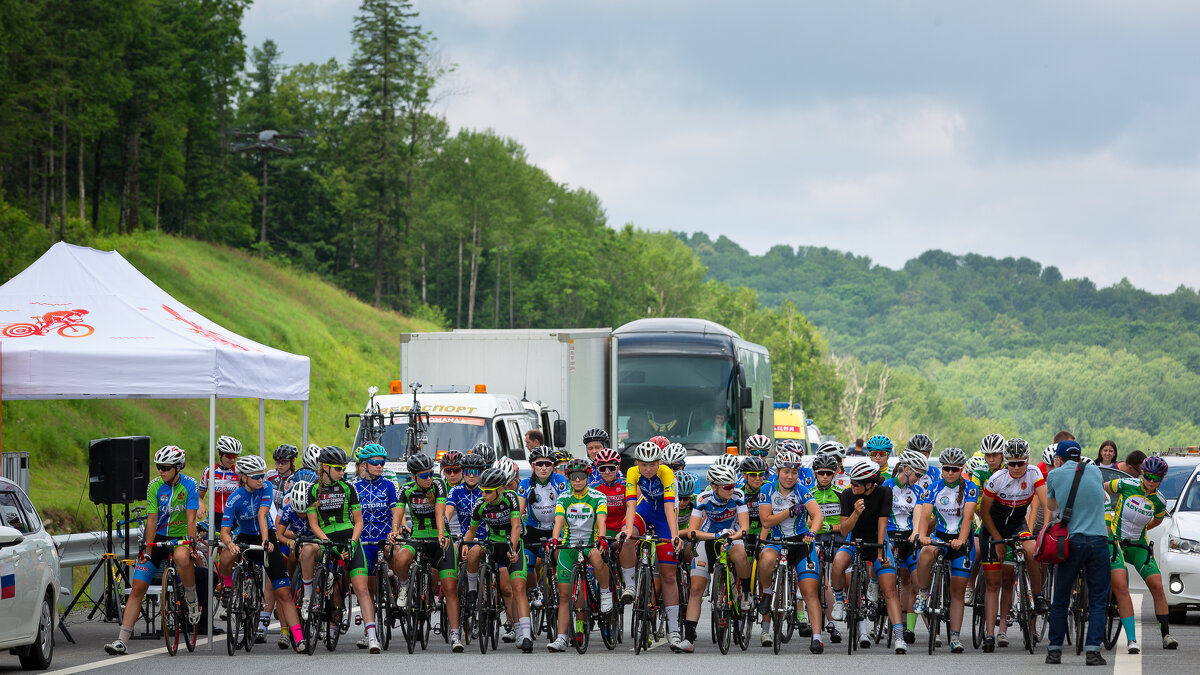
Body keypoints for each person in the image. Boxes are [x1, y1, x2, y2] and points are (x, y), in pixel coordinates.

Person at [104, 446, 201, 655]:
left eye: (165, 467)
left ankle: (192, 600)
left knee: (182, 557)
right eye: (158, 467)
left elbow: (191, 518)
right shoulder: (154, 486)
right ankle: (122, 640)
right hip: (157, 536)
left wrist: (192, 544)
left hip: (181, 535)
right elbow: (152, 519)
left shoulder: (190, 485)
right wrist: (147, 549)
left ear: (178, 467)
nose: (161, 471)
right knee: (138, 586)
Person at [218, 454, 306, 652]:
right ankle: (228, 587)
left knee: (283, 592)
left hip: (267, 537)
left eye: (261, 475)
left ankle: (299, 639)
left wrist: (267, 540)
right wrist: (230, 543)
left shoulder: (266, 487)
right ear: (243, 477)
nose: (261, 479)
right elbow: (225, 531)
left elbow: (263, 514)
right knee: (226, 556)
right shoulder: (235, 498)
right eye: (256, 476)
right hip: (245, 538)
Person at [306, 446, 380, 653]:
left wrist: (354, 542)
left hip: (349, 538)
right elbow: (313, 524)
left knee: (362, 589)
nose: (342, 472)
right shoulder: (313, 490)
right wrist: (325, 541)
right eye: (338, 468)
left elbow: (358, 521)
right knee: (310, 553)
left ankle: (372, 636)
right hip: (325, 539)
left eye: (344, 468)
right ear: (325, 468)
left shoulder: (348, 488)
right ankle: (309, 597)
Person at [1043, 440, 1111, 666]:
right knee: (1099, 599)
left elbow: (1052, 507)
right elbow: (1101, 499)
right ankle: (1093, 651)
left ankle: (1054, 651)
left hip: (1071, 542)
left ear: (1058, 459)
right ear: (1080, 458)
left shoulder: (1054, 474)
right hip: (1098, 540)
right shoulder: (1095, 471)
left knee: (1061, 598)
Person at [978, 438, 1048, 651]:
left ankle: (1037, 596)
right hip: (992, 529)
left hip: (1018, 524)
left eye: (1021, 463)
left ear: (1027, 461)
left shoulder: (1035, 473)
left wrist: (1045, 529)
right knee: (993, 585)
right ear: (1006, 462)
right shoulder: (997, 479)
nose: (1016, 468)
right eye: (1012, 463)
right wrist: (998, 541)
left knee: (1031, 548)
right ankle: (990, 635)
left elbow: (1047, 504)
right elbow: (984, 513)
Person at [830, 461, 906, 653]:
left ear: (870, 484)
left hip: (878, 541)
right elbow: (844, 529)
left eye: (856, 483)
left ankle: (899, 637)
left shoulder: (884, 493)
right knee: (838, 563)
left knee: (889, 589)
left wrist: (880, 554)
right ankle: (840, 600)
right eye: (851, 481)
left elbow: (882, 526)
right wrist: (855, 513)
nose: (851, 485)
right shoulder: (847, 494)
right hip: (854, 541)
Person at [1105, 454, 1177, 652]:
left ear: (1162, 479)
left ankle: (1166, 636)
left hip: (1138, 545)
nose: (1151, 482)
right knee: (1120, 585)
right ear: (1143, 474)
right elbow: (1101, 490)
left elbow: (1158, 519)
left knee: (1157, 585)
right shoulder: (1126, 484)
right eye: (1148, 477)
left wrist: (1143, 530)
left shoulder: (1160, 501)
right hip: (1117, 541)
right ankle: (1130, 638)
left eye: (1156, 479)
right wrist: (1106, 515)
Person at [393, 452, 463, 651]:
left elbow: (441, 513)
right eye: (424, 476)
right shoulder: (406, 490)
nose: (429, 478)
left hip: (440, 539)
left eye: (430, 473)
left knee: (450, 588)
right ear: (414, 476)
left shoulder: (438, 485)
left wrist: (442, 535)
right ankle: (405, 586)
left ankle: (455, 635)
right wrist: (394, 530)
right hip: (417, 537)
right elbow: (398, 514)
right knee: (400, 558)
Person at [757, 450, 826, 653]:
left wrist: (812, 532)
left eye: (794, 472)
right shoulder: (767, 489)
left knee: (809, 590)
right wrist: (789, 511)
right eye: (786, 471)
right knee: (766, 560)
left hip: (800, 542)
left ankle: (816, 637)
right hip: (777, 540)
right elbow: (766, 521)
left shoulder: (803, 490)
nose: (790, 476)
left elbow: (818, 514)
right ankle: (767, 594)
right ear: (777, 472)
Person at [619, 440, 685, 651]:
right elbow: (630, 503)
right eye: (643, 464)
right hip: (644, 510)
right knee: (626, 536)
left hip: (664, 517)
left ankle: (674, 630)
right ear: (637, 463)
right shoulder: (632, 472)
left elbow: (669, 508)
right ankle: (630, 584)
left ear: (659, 463)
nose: (647, 469)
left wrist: (675, 536)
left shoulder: (667, 473)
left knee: (667, 574)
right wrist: (629, 529)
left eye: (652, 464)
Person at [913, 447, 977, 654]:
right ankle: (923, 593)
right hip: (940, 536)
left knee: (957, 593)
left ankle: (956, 637)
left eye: (955, 469)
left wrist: (961, 539)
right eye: (947, 469)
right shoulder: (933, 488)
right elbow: (924, 516)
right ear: (942, 468)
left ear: (962, 469)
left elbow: (967, 518)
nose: (950, 473)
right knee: (924, 553)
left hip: (961, 540)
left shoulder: (970, 488)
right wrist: (922, 536)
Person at [545, 458, 613, 651]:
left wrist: (601, 538)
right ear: (569, 479)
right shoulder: (564, 497)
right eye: (573, 477)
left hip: (590, 542)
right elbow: (558, 521)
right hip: (569, 546)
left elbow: (601, 519)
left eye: (581, 477)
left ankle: (606, 592)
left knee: (597, 558)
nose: (577, 481)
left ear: (587, 477)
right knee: (565, 595)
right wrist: (555, 539)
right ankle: (561, 638)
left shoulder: (597, 496)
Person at [682, 464, 751, 652]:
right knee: (696, 589)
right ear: (714, 486)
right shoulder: (703, 499)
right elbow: (692, 531)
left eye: (733, 484)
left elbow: (744, 527)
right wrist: (715, 536)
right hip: (709, 539)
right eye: (726, 486)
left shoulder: (738, 496)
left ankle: (745, 593)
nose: (732, 489)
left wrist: (730, 537)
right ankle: (688, 639)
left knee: (741, 555)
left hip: (732, 537)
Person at [464, 467, 534, 652]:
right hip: (493, 543)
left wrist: (512, 548)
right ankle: (472, 591)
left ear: (499, 489)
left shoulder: (510, 498)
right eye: (482, 490)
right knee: (473, 553)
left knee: (518, 588)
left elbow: (516, 527)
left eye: (488, 491)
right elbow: (471, 531)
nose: (484, 494)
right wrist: (464, 544)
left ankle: (525, 635)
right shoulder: (479, 504)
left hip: (512, 543)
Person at [353, 444, 401, 649]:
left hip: (384, 538)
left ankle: (399, 582)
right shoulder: (353, 486)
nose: (380, 466)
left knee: (398, 554)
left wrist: (395, 531)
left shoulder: (390, 485)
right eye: (375, 462)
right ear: (364, 464)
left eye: (383, 462)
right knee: (369, 589)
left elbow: (395, 511)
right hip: (364, 541)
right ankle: (368, 631)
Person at [884, 449, 927, 646]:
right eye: (917, 474)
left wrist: (916, 533)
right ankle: (875, 585)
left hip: (909, 537)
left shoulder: (918, 491)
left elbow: (918, 514)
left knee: (917, 582)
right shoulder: (886, 487)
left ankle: (909, 628)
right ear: (907, 469)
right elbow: (880, 516)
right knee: (890, 579)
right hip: (889, 535)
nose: (919, 479)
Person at [267, 444, 299, 509]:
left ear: (291, 462)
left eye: (284, 462)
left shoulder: (295, 479)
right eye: (278, 462)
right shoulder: (270, 475)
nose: (280, 465)